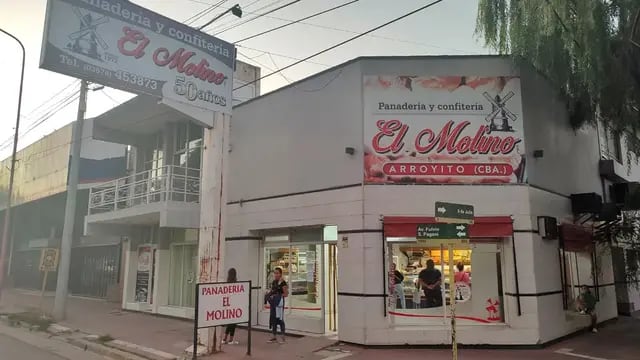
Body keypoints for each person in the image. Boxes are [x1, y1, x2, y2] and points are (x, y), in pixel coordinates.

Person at [266, 267, 288, 343]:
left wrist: (276, 296)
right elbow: (272, 291)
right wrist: (269, 295)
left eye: (277, 273)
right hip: (273, 303)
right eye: (275, 273)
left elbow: (286, 294)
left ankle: (283, 337)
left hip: (279, 303)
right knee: (273, 318)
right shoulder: (274, 282)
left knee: (280, 319)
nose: (275, 275)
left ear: (281, 274)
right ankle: (274, 336)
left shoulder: (283, 283)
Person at [222, 268, 239, 345]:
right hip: (234, 304)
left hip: (228, 304)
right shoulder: (235, 283)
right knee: (233, 323)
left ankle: (225, 338)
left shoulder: (227, 283)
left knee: (230, 322)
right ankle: (230, 339)